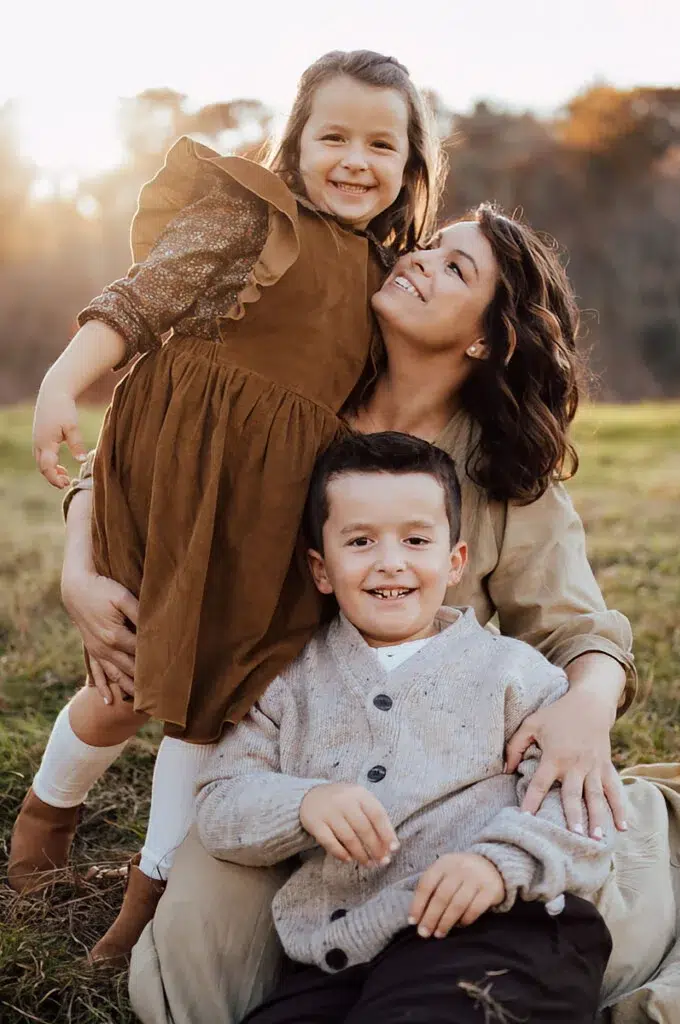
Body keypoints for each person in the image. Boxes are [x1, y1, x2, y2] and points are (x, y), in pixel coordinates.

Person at [58, 207, 652, 1022]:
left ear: (487, 339)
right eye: (430, 246)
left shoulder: (503, 473)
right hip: (269, 746)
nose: (420, 260)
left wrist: (587, 708)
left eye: (456, 269)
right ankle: (65, 823)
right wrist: (78, 568)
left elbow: (577, 628)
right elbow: (142, 448)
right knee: (192, 971)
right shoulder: (304, 387)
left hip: (429, 772)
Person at [8, 48, 444, 962]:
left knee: (212, 704)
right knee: (122, 685)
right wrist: (60, 381)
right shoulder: (254, 215)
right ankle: (48, 813)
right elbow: (138, 303)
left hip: (267, 515)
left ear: (411, 164)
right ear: (297, 140)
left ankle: (151, 892)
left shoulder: (387, 279)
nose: (355, 161)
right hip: (172, 477)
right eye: (333, 136)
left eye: (381, 144)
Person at [195, 430, 614, 1024]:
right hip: (342, 955)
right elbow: (220, 804)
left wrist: (497, 865)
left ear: (454, 562)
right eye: (360, 541)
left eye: (416, 540)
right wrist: (303, 803)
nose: (390, 561)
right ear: (321, 568)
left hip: (500, 930)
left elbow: (581, 812)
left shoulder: (516, 675)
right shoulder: (286, 683)